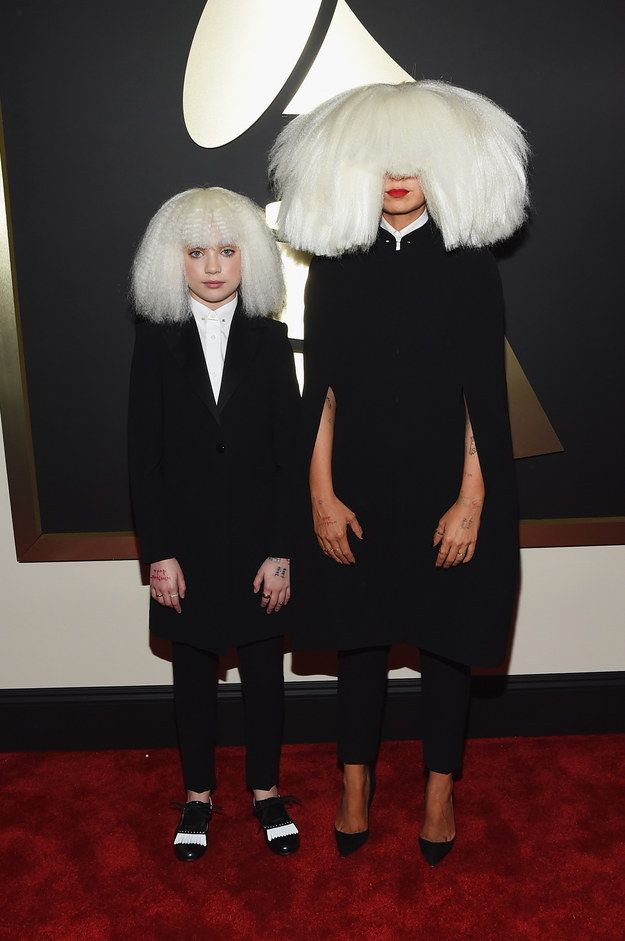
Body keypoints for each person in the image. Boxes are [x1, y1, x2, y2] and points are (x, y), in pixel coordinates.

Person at [269, 80, 529, 865]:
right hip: (355, 484)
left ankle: (439, 794)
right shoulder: (337, 267)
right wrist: (318, 496)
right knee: (357, 641)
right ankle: (355, 787)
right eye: (382, 162)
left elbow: (485, 397)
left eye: (413, 162)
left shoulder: (469, 265)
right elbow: (320, 394)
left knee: (448, 643)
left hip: (446, 485)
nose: (397, 177)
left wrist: (471, 501)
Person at [128, 187, 301, 860]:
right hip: (187, 552)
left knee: (265, 677)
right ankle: (197, 796)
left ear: (248, 257)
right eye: (196, 252)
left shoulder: (268, 337)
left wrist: (283, 551)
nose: (211, 266)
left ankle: (265, 790)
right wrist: (160, 553)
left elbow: (289, 456)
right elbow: (143, 460)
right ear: (170, 261)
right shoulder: (155, 341)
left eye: (227, 251)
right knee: (192, 679)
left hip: (260, 547)